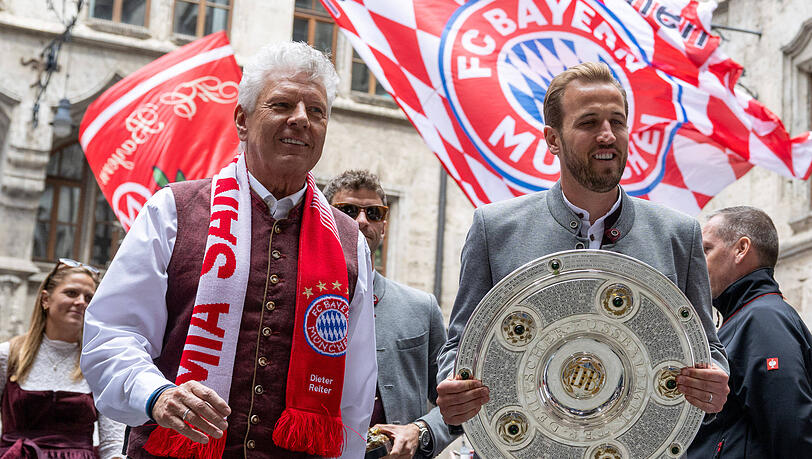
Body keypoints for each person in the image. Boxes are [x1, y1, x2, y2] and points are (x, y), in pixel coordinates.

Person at [80, 41, 376, 459]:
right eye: (282, 105)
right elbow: (110, 335)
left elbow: (355, 393)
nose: (301, 120)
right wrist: (157, 395)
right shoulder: (174, 210)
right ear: (241, 119)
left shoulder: (349, 242)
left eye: (317, 111)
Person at [435, 62, 730, 429]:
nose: (607, 135)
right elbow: (460, 348)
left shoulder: (679, 233)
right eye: (589, 123)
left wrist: (714, 378)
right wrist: (452, 386)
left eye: (617, 122)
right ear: (552, 139)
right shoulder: (494, 229)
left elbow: (708, 349)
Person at [324, 170, 454, 458]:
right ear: (325, 218)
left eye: (373, 212)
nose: (361, 221)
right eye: (346, 210)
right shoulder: (301, 302)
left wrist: (420, 432)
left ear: (384, 225)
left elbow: (455, 404)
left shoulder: (421, 307)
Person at [689, 206, 812, 457]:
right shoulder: (742, 318)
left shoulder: (764, 318)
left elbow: (792, 431)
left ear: (741, 249)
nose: (698, 263)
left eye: (706, 249)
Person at [0, 258, 124, 458]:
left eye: (89, 297)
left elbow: (112, 443)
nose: (81, 302)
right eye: (71, 293)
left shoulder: (101, 363)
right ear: (45, 299)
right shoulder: (9, 355)